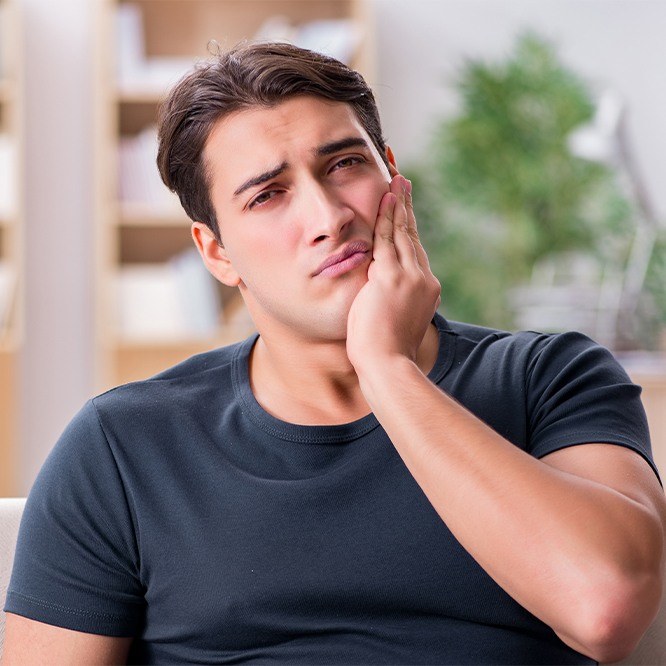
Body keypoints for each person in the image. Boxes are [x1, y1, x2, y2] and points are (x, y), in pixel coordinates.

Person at [2, 42, 665, 666]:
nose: (328, 215)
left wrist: (386, 368)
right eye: (268, 194)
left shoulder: (550, 378)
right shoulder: (122, 446)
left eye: (344, 164)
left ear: (393, 179)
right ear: (217, 252)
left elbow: (605, 606)